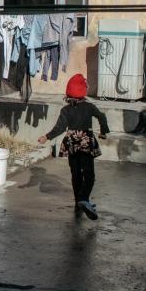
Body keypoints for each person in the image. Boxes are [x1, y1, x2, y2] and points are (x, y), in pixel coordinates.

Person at [37, 73, 109, 220]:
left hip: (71, 142)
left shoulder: (66, 110)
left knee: (76, 173)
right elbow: (102, 117)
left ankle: (78, 203)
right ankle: (84, 199)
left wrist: (46, 137)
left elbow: (60, 128)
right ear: (83, 92)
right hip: (85, 142)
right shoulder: (89, 107)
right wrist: (103, 132)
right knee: (89, 174)